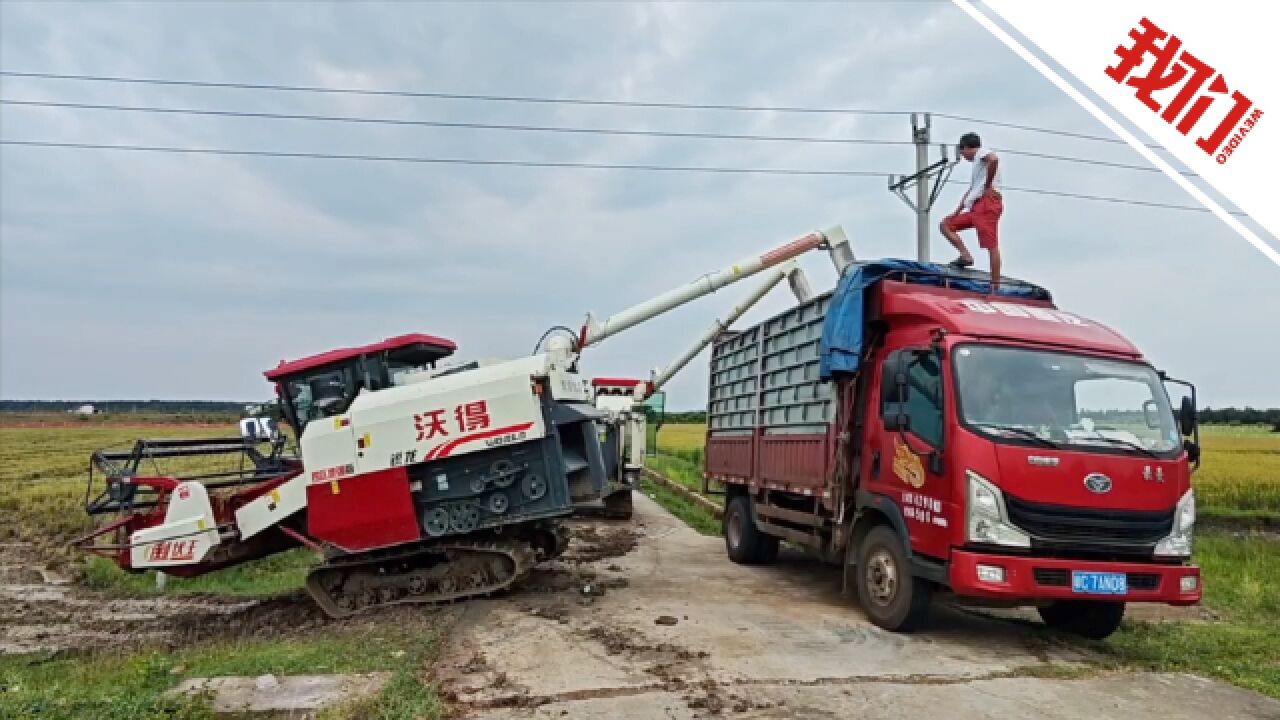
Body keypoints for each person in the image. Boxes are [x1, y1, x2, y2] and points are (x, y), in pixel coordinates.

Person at [940, 132, 1003, 292]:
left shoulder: (981, 153)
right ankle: (965, 256)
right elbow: (972, 190)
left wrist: (988, 185)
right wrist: (957, 211)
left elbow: (994, 159)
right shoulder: (977, 165)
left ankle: (995, 285)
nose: (962, 156)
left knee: (991, 244)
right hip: (975, 206)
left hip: (986, 204)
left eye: (962, 152)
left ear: (966, 148)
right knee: (946, 224)